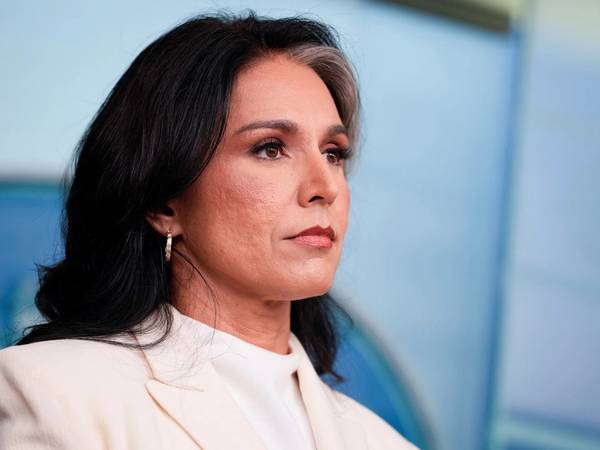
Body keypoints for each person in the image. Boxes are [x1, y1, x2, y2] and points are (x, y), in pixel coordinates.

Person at [0, 12, 418, 450]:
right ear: (164, 202)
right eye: (270, 149)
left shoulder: (383, 442)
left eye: (333, 153)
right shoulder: (53, 393)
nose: (325, 187)